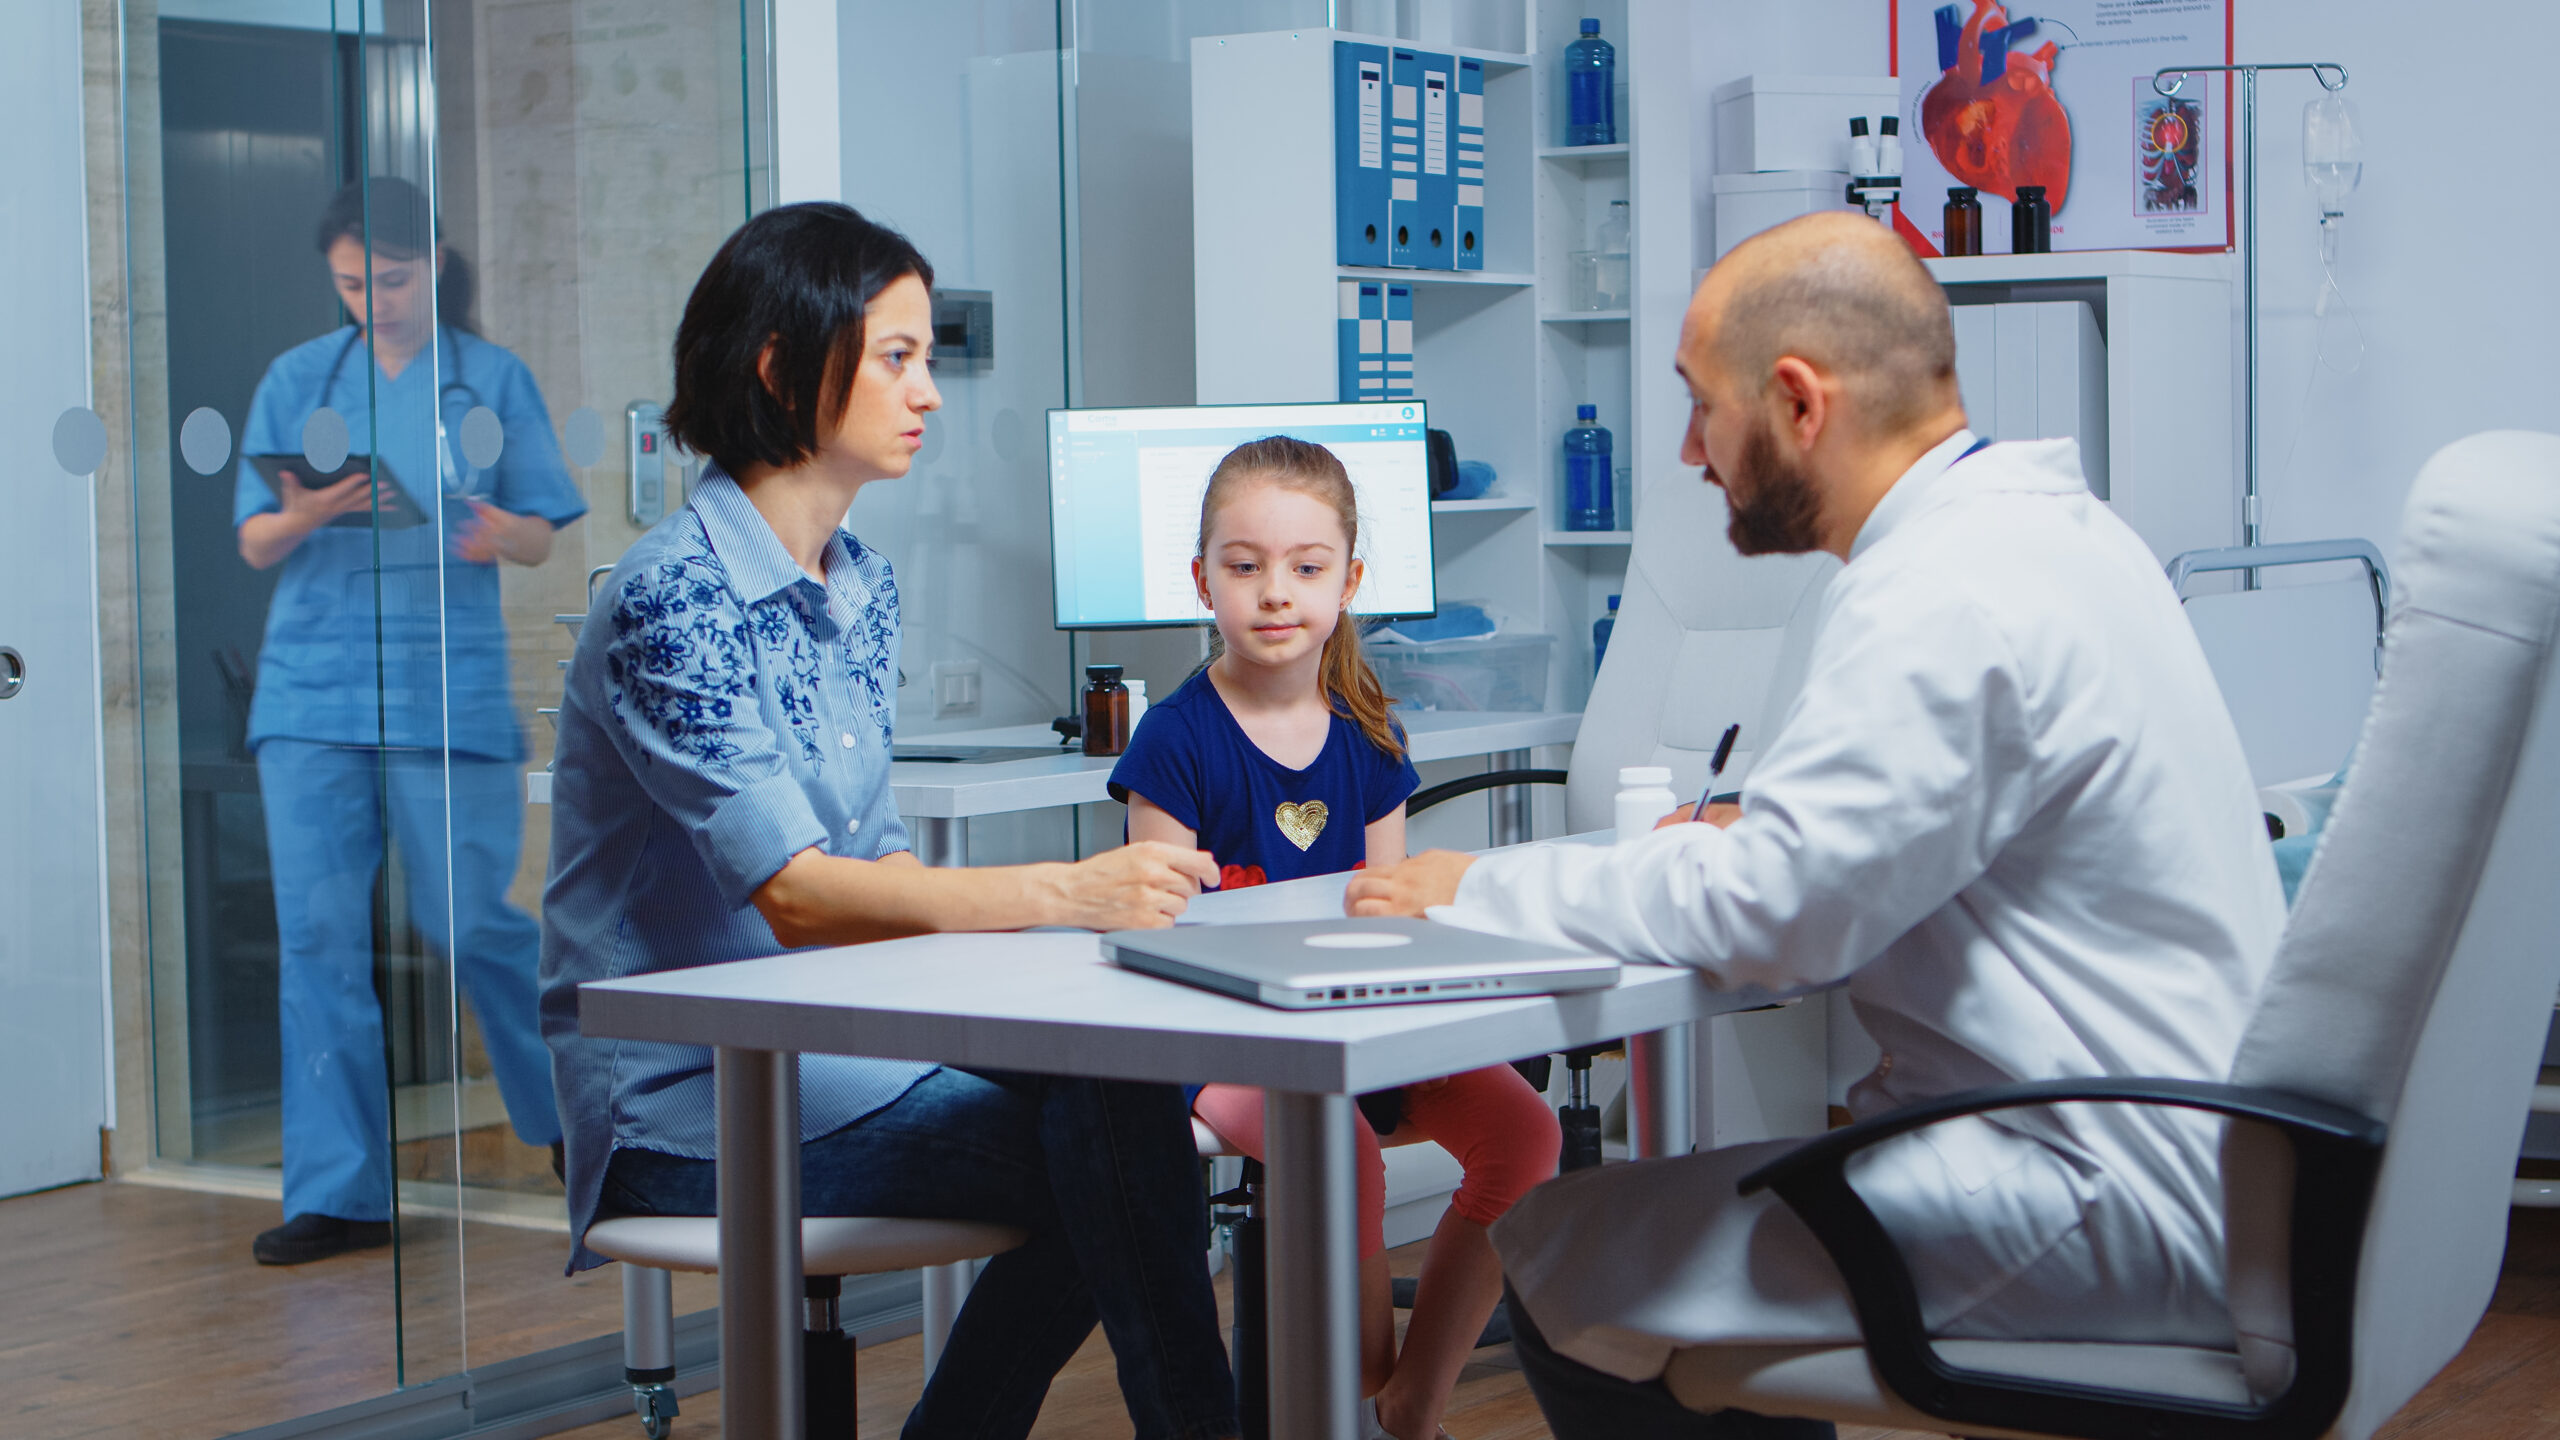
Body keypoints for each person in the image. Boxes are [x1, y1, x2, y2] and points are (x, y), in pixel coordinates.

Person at [1346, 211, 2286, 1435]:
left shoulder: (1940, 591)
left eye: (1699, 407)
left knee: (1559, 1254)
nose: (1688, 452)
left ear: (1796, 402)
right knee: (1645, 1235)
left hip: (2095, 1191)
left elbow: (1775, 916)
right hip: (2187, 1160)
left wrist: (1474, 887)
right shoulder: (2056, 536)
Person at [538, 201, 1235, 1440]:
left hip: (844, 1047)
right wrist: (1063, 894)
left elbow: (881, 865)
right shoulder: (672, 601)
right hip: (688, 1105)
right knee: (1124, 1166)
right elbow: (802, 896)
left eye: (927, 358)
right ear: (779, 364)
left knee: (1126, 1096)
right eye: (897, 357)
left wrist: (1059, 955)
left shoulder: (860, 587)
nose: (932, 392)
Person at [1109, 436, 1562, 1440]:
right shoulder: (1174, 741)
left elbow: (1388, 915)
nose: (1275, 593)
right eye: (1244, 566)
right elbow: (1159, 944)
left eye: (1307, 568)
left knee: (1529, 1135)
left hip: (1353, 1021)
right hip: (1217, 1042)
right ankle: (1355, 1400)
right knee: (1340, 1152)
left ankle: (1411, 1401)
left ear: (1349, 580)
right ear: (1202, 581)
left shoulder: (1369, 735)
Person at [234, 176, 581, 1266]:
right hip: (313, 696)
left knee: (473, 922)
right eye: (349, 283)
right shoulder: (299, 377)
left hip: (446, 691)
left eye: (387, 278)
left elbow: (540, 532)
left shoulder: (490, 377)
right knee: (319, 942)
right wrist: (305, 511)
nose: (370, 300)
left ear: (432, 263)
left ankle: (577, 1122)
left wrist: (496, 536)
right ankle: (340, 1193)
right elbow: (253, 541)